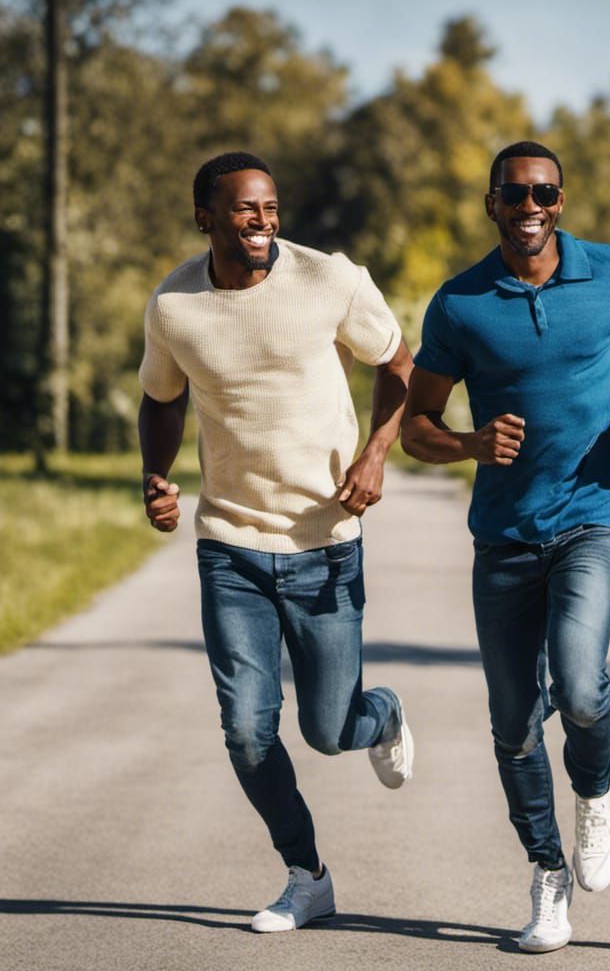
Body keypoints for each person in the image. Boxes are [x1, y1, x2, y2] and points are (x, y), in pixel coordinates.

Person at [401, 140, 610, 953]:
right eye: (513, 194)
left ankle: (595, 792)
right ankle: (547, 875)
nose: (530, 207)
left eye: (544, 194)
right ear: (492, 203)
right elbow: (417, 427)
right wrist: (472, 446)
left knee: (583, 691)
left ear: (562, 201)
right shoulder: (459, 305)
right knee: (515, 722)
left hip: (590, 521)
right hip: (505, 541)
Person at [138, 151, 414, 934]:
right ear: (205, 217)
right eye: (243, 209)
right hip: (230, 545)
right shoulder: (174, 305)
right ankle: (306, 874)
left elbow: (397, 362)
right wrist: (154, 477)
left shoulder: (330, 280)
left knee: (328, 731)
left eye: (270, 208)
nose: (262, 221)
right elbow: (161, 397)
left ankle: (383, 713)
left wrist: (376, 453)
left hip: (324, 541)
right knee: (247, 729)